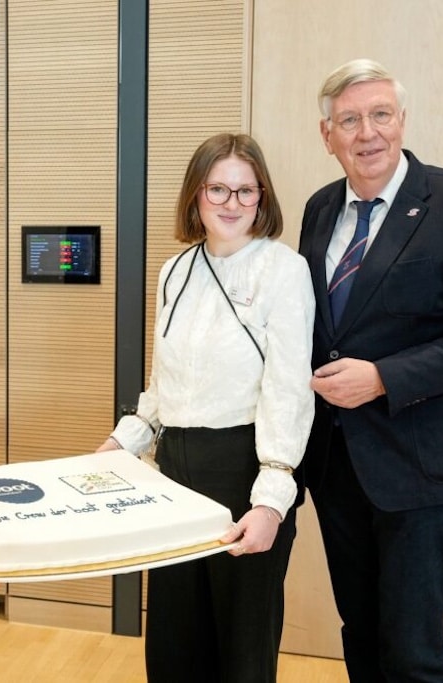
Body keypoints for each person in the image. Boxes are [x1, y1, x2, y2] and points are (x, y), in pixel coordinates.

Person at [299, 58, 443, 681]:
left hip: (425, 468)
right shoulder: (321, 209)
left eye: (380, 115)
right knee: (362, 633)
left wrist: (384, 378)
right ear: (328, 136)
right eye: (349, 120)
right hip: (340, 465)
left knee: (412, 649)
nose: (366, 132)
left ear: (402, 121)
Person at [98, 133, 315, 682]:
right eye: (218, 188)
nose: (232, 203)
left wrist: (272, 500)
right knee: (175, 641)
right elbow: (163, 382)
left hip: (246, 467)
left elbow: (288, 390)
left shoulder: (283, 270)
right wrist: (124, 441)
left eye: (246, 191)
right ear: (196, 195)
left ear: (262, 198)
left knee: (241, 648)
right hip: (175, 472)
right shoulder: (176, 269)